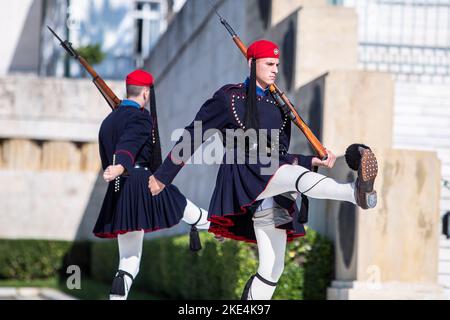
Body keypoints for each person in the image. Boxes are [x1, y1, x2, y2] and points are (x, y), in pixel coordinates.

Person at [148, 40, 378, 300]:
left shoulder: (278, 105)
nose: (275, 70)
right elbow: (192, 136)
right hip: (243, 173)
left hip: (272, 181)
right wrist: (162, 177)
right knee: (289, 176)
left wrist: (312, 160)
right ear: (251, 63)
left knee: (272, 268)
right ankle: (352, 191)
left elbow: (279, 156)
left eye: (277, 65)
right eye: (269, 63)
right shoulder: (229, 97)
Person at [94, 70, 209, 300]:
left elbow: (112, 152)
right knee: (184, 206)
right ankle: (222, 226)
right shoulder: (141, 117)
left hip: (120, 192)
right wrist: (121, 165)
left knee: (128, 263)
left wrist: (117, 169)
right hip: (143, 183)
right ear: (146, 92)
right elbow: (128, 144)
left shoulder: (108, 121)